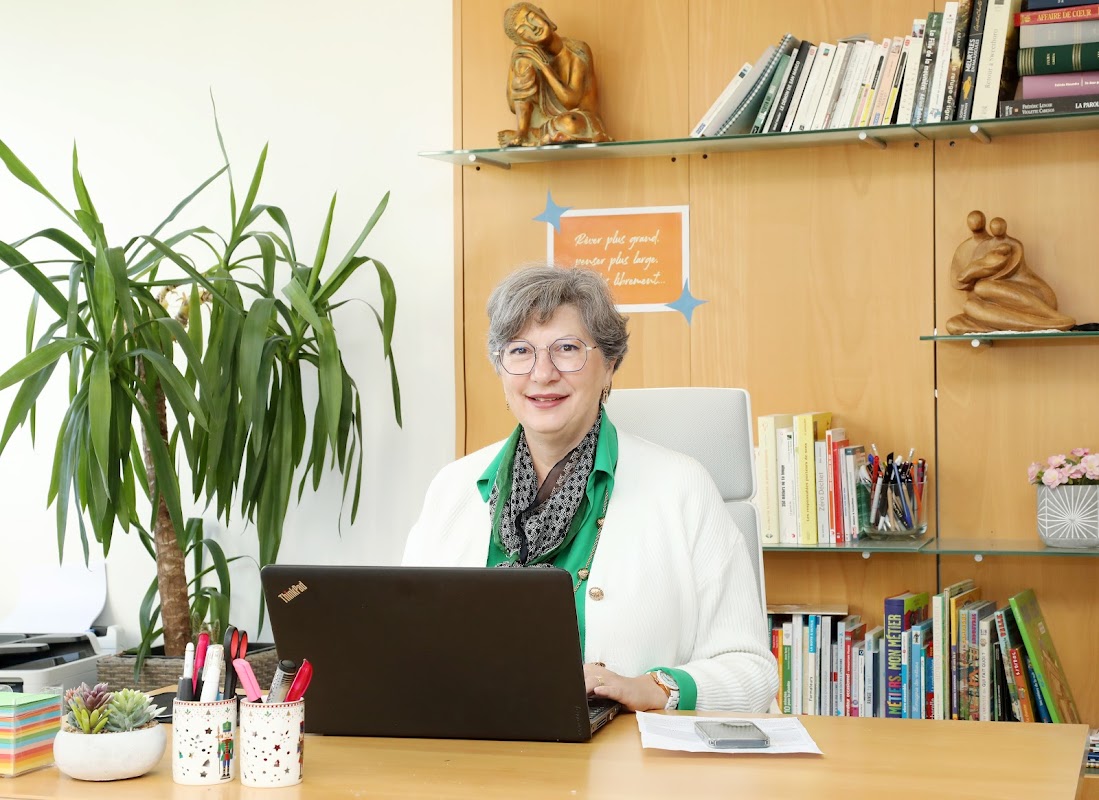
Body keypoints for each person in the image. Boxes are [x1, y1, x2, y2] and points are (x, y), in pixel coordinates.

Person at [403, 265, 777, 712]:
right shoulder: (452, 488)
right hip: (467, 743)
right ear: (501, 367)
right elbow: (404, 644)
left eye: (567, 348)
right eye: (520, 351)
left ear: (609, 365)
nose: (542, 373)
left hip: (621, 750)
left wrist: (655, 689)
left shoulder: (682, 486)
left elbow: (752, 672)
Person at [497, 3, 611, 147]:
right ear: (520, 41)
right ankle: (523, 133)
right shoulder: (526, 57)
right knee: (523, 60)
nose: (532, 28)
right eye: (523, 30)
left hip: (580, 119)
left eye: (532, 18)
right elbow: (513, 106)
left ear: (543, 14)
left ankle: (536, 134)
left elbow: (571, 101)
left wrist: (544, 66)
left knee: (570, 123)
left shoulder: (577, 49)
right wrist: (518, 71)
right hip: (549, 122)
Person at [946, 211, 1075, 333]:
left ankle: (1054, 320)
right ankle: (1003, 328)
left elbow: (983, 269)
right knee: (958, 319)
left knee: (982, 287)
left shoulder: (1006, 245)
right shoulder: (968, 248)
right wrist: (967, 274)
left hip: (1039, 299)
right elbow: (960, 280)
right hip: (1001, 307)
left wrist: (968, 273)